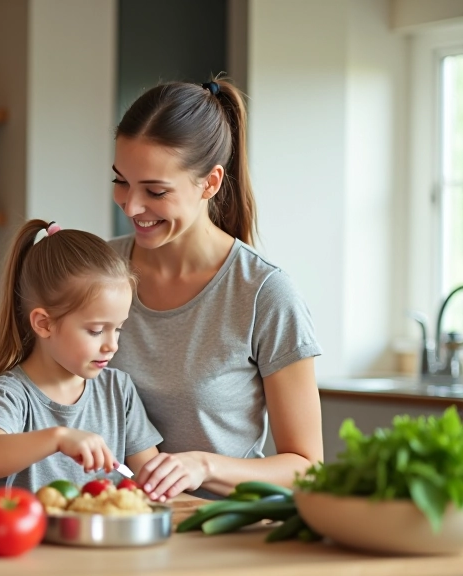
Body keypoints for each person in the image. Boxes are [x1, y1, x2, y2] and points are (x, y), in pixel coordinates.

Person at [109, 77, 324, 500]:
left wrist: (202, 466)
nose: (131, 206)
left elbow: (307, 468)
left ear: (210, 183)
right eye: (120, 181)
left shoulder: (264, 293)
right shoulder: (96, 270)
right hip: (104, 522)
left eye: (155, 190)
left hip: (216, 531)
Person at [0, 219, 184, 497]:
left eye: (118, 329)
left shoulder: (118, 390)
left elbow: (150, 477)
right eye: (96, 331)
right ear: (44, 324)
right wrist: (58, 437)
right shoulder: (10, 395)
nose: (112, 345)